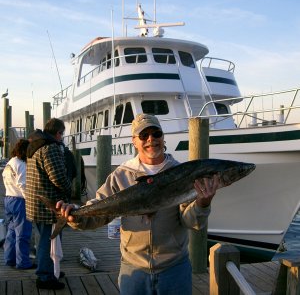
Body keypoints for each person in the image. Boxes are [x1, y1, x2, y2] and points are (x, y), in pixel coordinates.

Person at [57, 113, 220, 295]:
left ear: (163, 137)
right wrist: (76, 216)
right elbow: (101, 209)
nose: (151, 139)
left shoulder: (181, 173)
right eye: (143, 135)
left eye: (156, 133)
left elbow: (190, 221)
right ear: (134, 141)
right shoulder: (121, 176)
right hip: (133, 269)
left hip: (174, 268)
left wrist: (203, 203)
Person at [25, 118, 72, 290]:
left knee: (44, 240)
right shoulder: (50, 147)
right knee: (48, 240)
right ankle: (45, 277)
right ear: (58, 133)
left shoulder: (35, 145)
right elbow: (58, 177)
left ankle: (52, 270)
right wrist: (69, 190)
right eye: (62, 134)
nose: (62, 138)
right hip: (48, 205)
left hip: (35, 204)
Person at [2, 139, 35, 269]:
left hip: (9, 199)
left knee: (11, 231)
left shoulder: (10, 163)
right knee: (23, 233)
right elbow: (23, 185)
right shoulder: (22, 165)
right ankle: (23, 263)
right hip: (20, 201)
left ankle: (10, 259)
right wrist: (30, 200)